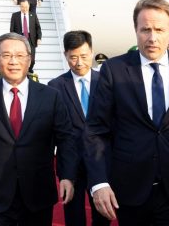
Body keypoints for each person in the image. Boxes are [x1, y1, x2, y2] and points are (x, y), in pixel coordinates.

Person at [82, 0, 169, 225]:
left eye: (159, 29)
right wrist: (99, 183)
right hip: (130, 191)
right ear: (135, 30)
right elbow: (96, 130)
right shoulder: (114, 69)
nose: (152, 37)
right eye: (145, 30)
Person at [0, 32, 78, 225]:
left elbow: (66, 140)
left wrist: (67, 175)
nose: (13, 61)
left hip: (38, 192)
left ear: (29, 60)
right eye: (6, 55)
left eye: (19, 55)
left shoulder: (51, 96)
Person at [48, 30, 110, 226]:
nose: (79, 62)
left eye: (84, 56)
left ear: (91, 52)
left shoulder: (107, 83)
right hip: (71, 166)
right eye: (73, 57)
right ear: (65, 54)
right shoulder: (55, 87)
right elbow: (54, 132)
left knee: (103, 217)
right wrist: (63, 173)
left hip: (102, 163)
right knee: (74, 218)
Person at [10, 0, 41, 73]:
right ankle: (23, 71)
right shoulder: (15, 16)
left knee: (32, 60)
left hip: (31, 39)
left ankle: (29, 70)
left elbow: (38, 27)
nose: (25, 9)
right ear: (20, 7)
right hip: (20, 39)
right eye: (23, 7)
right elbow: (12, 29)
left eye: (26, 7)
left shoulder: (33, 15)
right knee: (21, 57)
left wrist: (39, 38)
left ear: (29, 6)